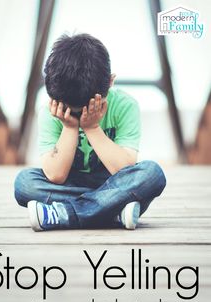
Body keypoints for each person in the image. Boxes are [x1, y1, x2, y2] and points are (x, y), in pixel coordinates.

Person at [14, 33, 166, 231]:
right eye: (72, 110)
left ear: (110, 82)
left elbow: (123, 169)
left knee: (152, 174)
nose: (78, 115)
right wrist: (69, 127)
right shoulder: (52, 111)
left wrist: (91, 128)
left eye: (86, 107)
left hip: (113, 182)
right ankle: (111, 213)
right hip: (82, 186)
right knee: (25, 183)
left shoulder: (125, 106)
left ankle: (65, 214)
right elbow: (55, 175)